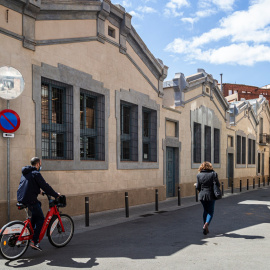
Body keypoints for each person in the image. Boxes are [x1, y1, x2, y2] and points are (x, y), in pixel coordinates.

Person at [17, 157, 60, 251]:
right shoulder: (36, 173)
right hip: (30, 200)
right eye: (40, 164)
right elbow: (45, 186)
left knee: (37, 208)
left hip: (22, 198)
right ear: (37, 164)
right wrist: (55, 195)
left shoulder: (26, 172)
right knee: (40, 218)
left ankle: (30, 232)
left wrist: (39, 192)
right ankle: (35, 242)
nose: (40, 166)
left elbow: (29, 185)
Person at [196, 161, 220, 235]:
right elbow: (218, 184)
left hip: (202, 195)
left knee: (205, 210)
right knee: (210, 211)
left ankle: (205, 228)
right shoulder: (214, 174)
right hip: (211, 195)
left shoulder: (199, 175)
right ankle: (206, 224)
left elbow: (198, 187)